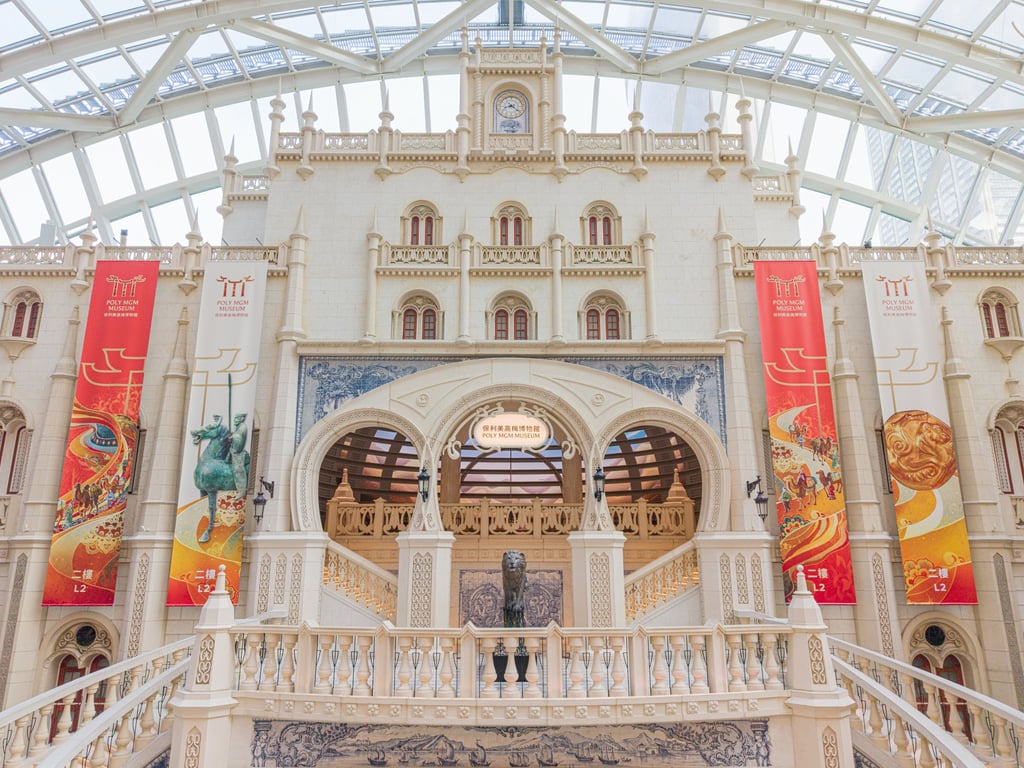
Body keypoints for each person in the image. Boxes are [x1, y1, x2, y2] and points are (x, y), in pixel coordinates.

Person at [230, 412, 250, 496]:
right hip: (233, 448)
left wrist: (233, 437)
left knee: (237, 468)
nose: (235, 420)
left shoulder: (243, 427)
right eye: (235, 418)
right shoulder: (237, 427)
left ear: (242, 419)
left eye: (237, 418)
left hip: (238, 451)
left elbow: (239, 439)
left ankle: (241, 489)